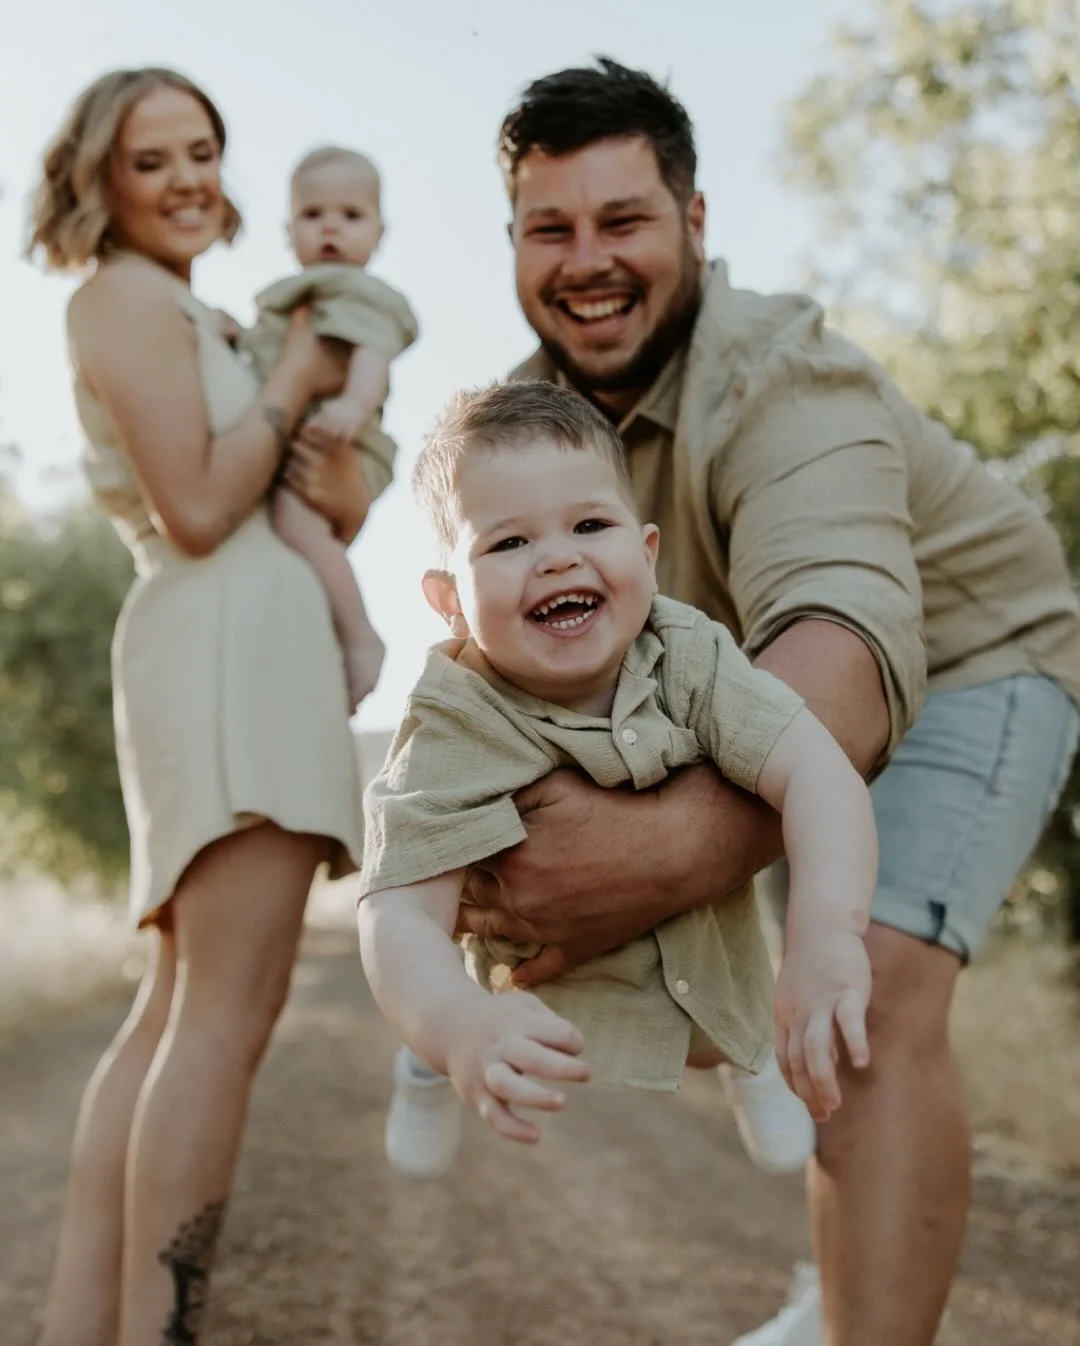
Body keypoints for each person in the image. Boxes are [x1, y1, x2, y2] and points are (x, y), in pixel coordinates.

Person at [406, 58, 1080, 1346]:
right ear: (513, 245)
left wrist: (655, 851)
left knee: (861, 999)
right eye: (552, 228)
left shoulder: (783, 374)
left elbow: (844, 642)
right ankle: (849, 1296)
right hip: (760, 694)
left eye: (624, 220)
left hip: (967, 660)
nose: (587, 260)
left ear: (696, 225)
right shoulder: (525, 427)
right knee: (781, 1013)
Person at [27, 67, 370, 1346]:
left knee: (181, 1008)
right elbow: (201, 504)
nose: (186, 180)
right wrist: (291, 376)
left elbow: (300, 499)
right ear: (99, 179)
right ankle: (160, 1331)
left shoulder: (188, 307)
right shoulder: (121, 295)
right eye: (151, 158)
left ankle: (86, 1329)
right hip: (223, 644)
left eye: (203, 152)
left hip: (239, 641)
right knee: (222, 1012)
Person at [359, 380, 876, 1148]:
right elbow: (399, 912)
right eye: (509, 542)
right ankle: (428, 1061)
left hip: (704, 973)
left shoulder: (689, 653)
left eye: (590, 525)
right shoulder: (453, 718)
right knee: (436, 989)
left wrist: (826, 936)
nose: (558, 558)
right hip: (524, 991)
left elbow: (816, 770)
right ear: (450, 603)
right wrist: (457, 1029)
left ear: (647, 553)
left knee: (724, 1026)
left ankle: (757, 1049)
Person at [239, 145, 418, 710]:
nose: (331, 228)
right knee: (286, 538)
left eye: (351, 215)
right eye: (314, 215)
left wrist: (353, 405)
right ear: (289, 228)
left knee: (297, 523)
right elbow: (266, 364)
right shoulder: (300, 299)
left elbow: (371, 356)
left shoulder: (357, 293)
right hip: (308, 436)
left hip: (346, 440)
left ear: (379, 232)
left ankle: (361, 635)